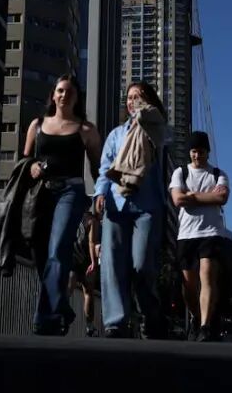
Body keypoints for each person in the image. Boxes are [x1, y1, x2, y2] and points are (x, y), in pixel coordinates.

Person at [21, 75, 102, 335]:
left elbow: (98, 168)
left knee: (57, 249)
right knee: (40, 252)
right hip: (41, 192)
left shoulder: (86, 130)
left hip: (71, 191)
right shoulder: (38, 125)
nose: (63, 95)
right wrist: (32, 166)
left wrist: (101, 198)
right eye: (59, 91)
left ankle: (45, 317)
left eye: (69, 91)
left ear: (76, 97)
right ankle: (62, 305)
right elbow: (24, 161)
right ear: (53, 95)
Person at [94, 81, 170, 339]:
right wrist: (100, 193)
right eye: (129, 97)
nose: (132, 101)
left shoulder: (155, 127)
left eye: (138, 96)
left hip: (146, 207)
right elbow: (105, 169)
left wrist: (143, 109)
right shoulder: (115, 134)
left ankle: (151, 314)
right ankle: (116, 322)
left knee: (141, 266)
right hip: (116, 204)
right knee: (113, 265)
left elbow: (154, 116)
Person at [169, 131, 230, 342]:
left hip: (211, 233)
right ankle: (197, 316)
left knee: (207, 275)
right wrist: (206, 197)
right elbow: (177, 199)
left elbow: (221, 196)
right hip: (186, 234)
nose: (197, 155)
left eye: (201, 151)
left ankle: (205, 326)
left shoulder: (218, 174)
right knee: (188, 285)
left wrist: (192, 196)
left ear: (207, 152)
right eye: (194, 151)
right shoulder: (180, 173)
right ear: (189, 152)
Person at [67, 208, 102, 337]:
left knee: (68, 288)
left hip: (73, 257)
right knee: (88, 293)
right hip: (86, 261)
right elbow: (92, 242)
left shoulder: (72, 215)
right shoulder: (92, 220)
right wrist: (94, 262)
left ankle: (60, 316)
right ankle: (90, 326)